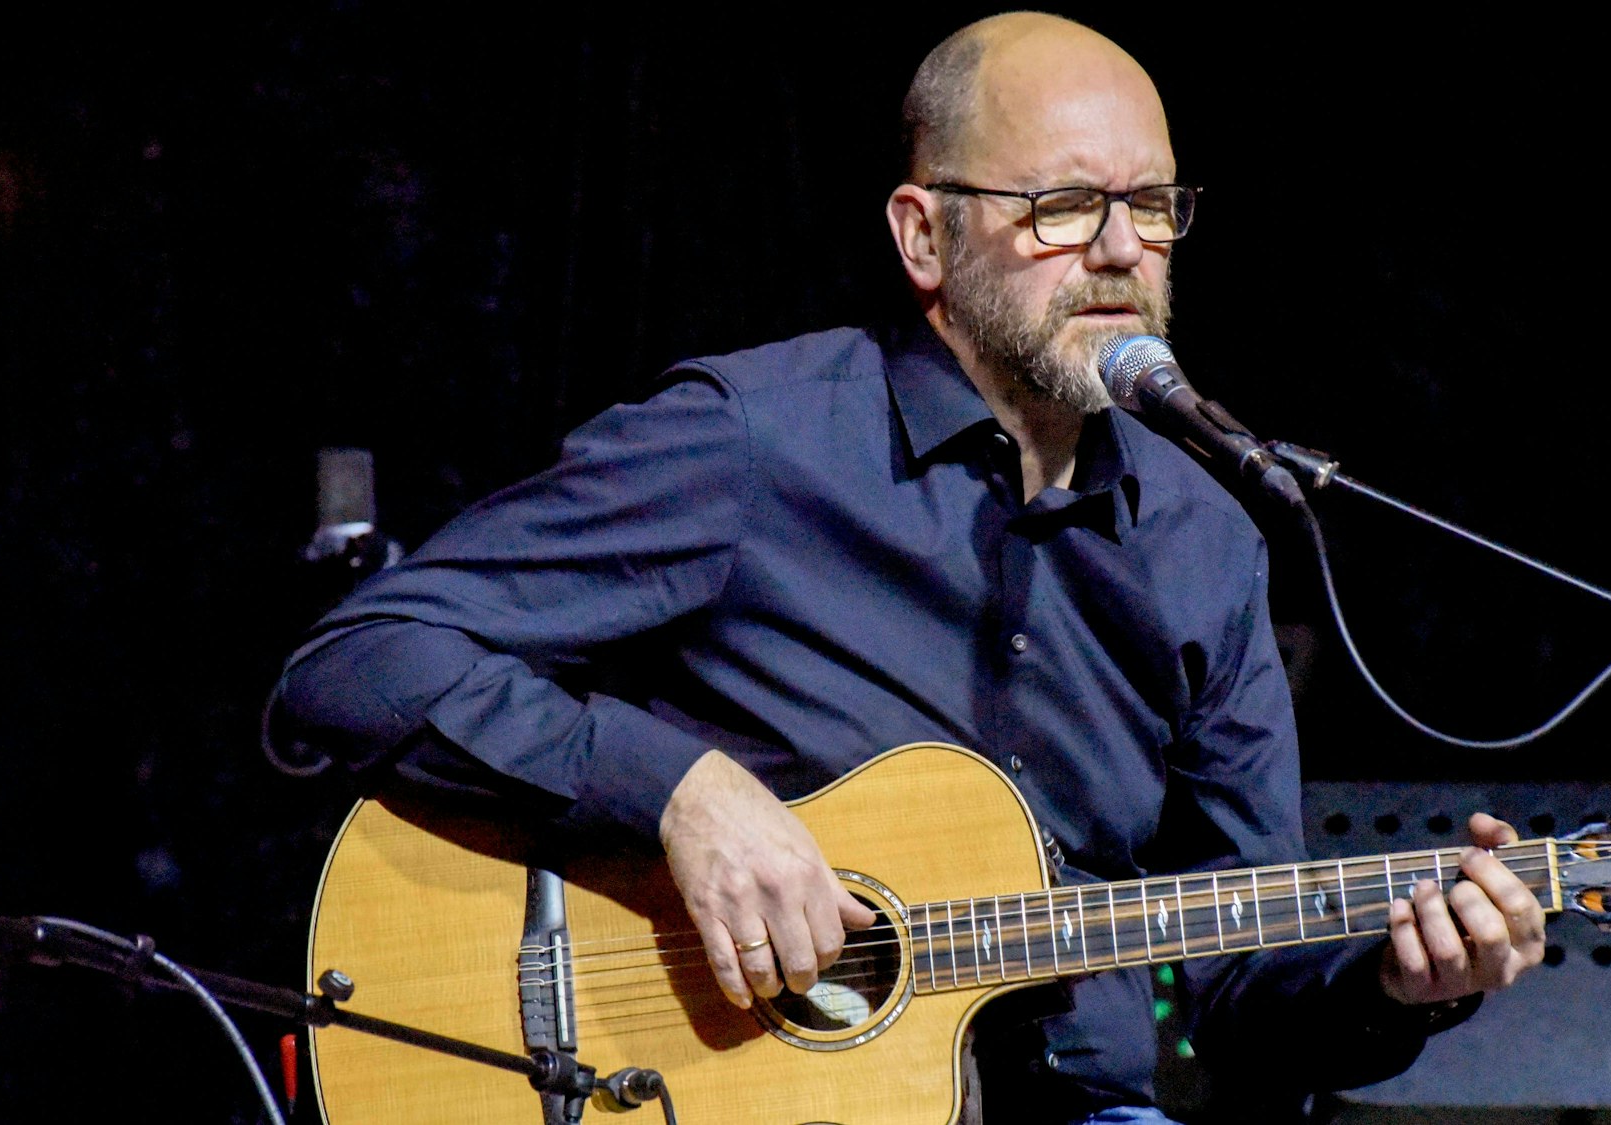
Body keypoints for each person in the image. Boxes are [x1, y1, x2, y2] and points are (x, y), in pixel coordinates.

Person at [269, 13, 1545, 1122]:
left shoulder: (1205, 547)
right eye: (1061, 207)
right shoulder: (755, 440)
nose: (1117, 251)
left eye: (1150, 206)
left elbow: (1229, 992)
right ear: (923, 237)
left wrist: (1394, 987)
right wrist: (678, 792)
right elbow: (356, 664)